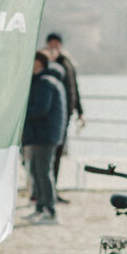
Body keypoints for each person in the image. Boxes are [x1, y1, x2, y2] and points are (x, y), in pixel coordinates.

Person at [23, 51, 67, 224]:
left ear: (38, 63)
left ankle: (48, 208)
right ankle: (40, 207)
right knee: (38, 170)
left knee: (43, 171)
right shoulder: (46, 81)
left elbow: (41, 109)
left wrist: (21, 113)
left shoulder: (44, 82)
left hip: (44, 134)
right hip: (43, 134)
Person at [42, 32, 83, 200]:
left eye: (56, 44)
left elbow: (74, 88)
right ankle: (45, 192)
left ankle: (53, 190)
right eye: (51, 44)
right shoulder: (45, 63)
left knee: (58, 153)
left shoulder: (67, 62)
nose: (54, 48)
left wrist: (81, 111)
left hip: (65, 114)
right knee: (47, 155)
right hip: (50, 117)